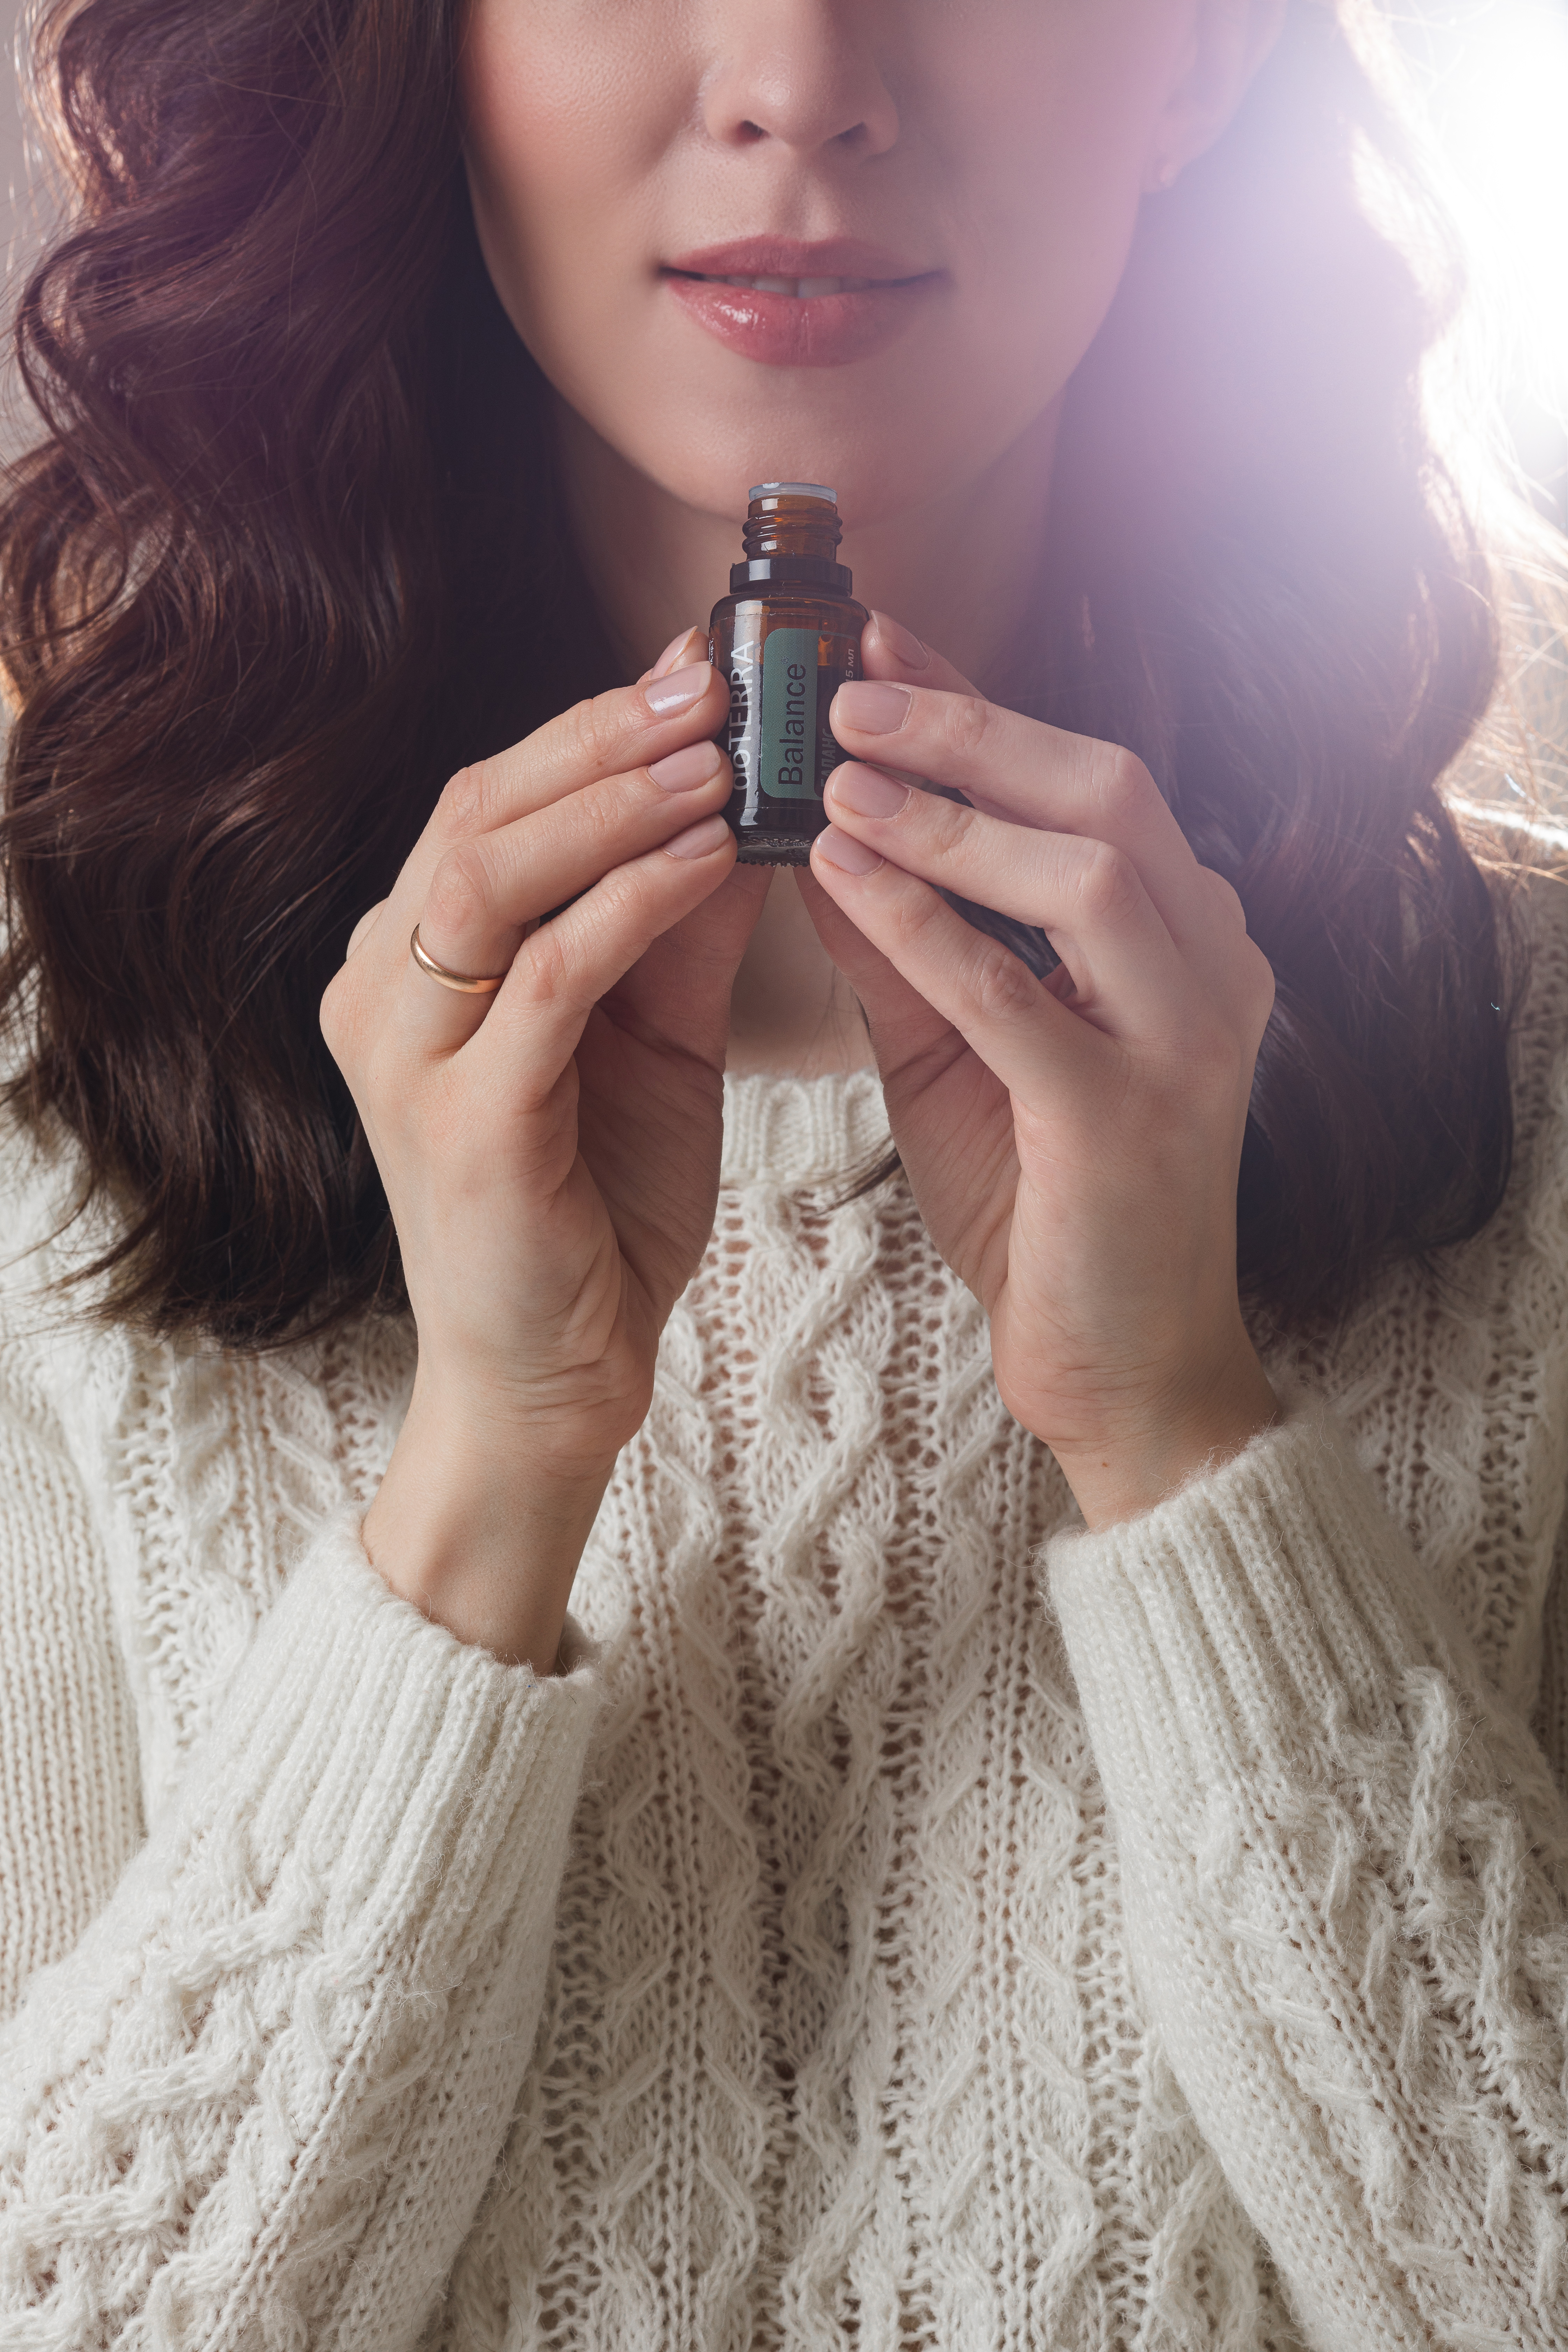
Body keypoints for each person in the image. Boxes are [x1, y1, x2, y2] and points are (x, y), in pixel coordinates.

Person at [1, 0, 1566, 2338]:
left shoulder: (1536, 1076)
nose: (794, 75)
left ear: (1206, 53)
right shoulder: (48, 1079)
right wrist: (486, 1486)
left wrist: (1179, 1437)